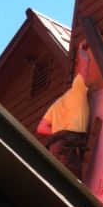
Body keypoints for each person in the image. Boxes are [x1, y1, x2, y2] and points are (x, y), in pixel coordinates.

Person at [37, 46, 91, 177]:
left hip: (54, 146)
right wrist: (81, 50)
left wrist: (57, 129)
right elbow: (85, 64)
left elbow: (40, 128)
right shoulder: (77, 90)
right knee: (71, 181)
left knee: (56, 180)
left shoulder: (55, 105)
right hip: (69, 145)